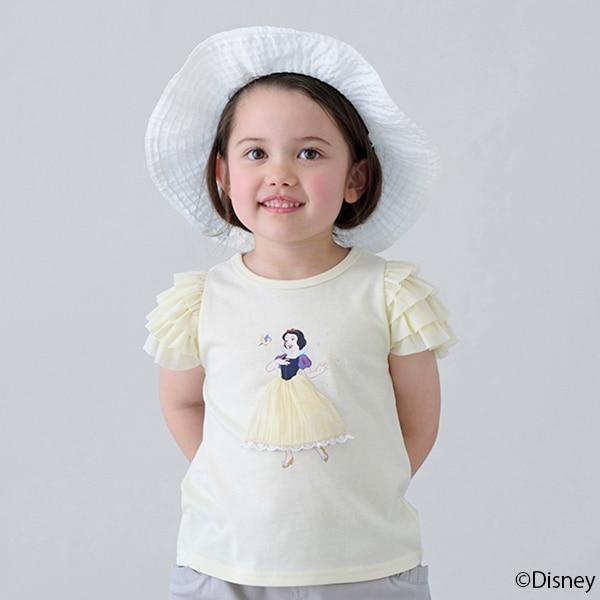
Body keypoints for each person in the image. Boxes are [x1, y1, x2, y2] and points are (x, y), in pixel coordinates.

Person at [143, 25, 458, 600]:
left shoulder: (388, 294)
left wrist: (358, 491)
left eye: (309, 153)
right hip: (225, 564)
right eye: (256, 153)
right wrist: (235, 482)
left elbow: (418, 420)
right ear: (223, 174)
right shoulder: (202, 301)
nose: (280, 172)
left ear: (355, 178)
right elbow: (182, 401)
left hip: (365, 567)